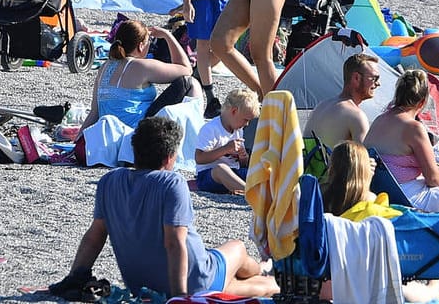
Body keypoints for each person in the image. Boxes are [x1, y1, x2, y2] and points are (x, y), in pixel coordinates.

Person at [54, 117, 278, 300]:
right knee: (237, 248)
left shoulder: (109, 181)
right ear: (170, 157)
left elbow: (95, 236)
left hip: (143, 284)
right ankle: (264, 271)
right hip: (190, 278)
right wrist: (180, 297)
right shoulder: (171, 183)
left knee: (239, 286)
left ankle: (270, 277)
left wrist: (77, 275)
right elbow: (174, 242)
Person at [82, 19, 195, 131]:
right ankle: (195, 140)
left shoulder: (105, 67)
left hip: (109, 134)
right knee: (190, 83)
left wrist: (79, 139)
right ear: (141, 46)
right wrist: (168, 36)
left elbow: (94, 113)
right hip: (138, 136)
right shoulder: (142, 66)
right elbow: (186, 69)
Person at [365, 71, 439, 211]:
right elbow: (433, 180)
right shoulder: (413, 128)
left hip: (378, 189)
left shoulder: (379, 119)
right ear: (423, 102)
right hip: (404, 195)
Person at [307, 53, 381, 149]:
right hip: (335, 164)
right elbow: (364, 160)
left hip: (312, 163)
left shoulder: (321, 106)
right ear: (356, 78)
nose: (378, 83)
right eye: (374, 78)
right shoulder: (356, 115)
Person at [194, 89, 261, 194]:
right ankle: (252, 194)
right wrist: (226, 149)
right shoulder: (211, 128)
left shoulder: (238, 130)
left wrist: (243, 157)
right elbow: (199, 158)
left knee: (260, 171)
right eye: (246, 120)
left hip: (234, 173)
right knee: (221, 169)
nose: (247, 124)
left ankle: (269, 191)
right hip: (209, 176)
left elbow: (242, 164)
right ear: (234, 111)